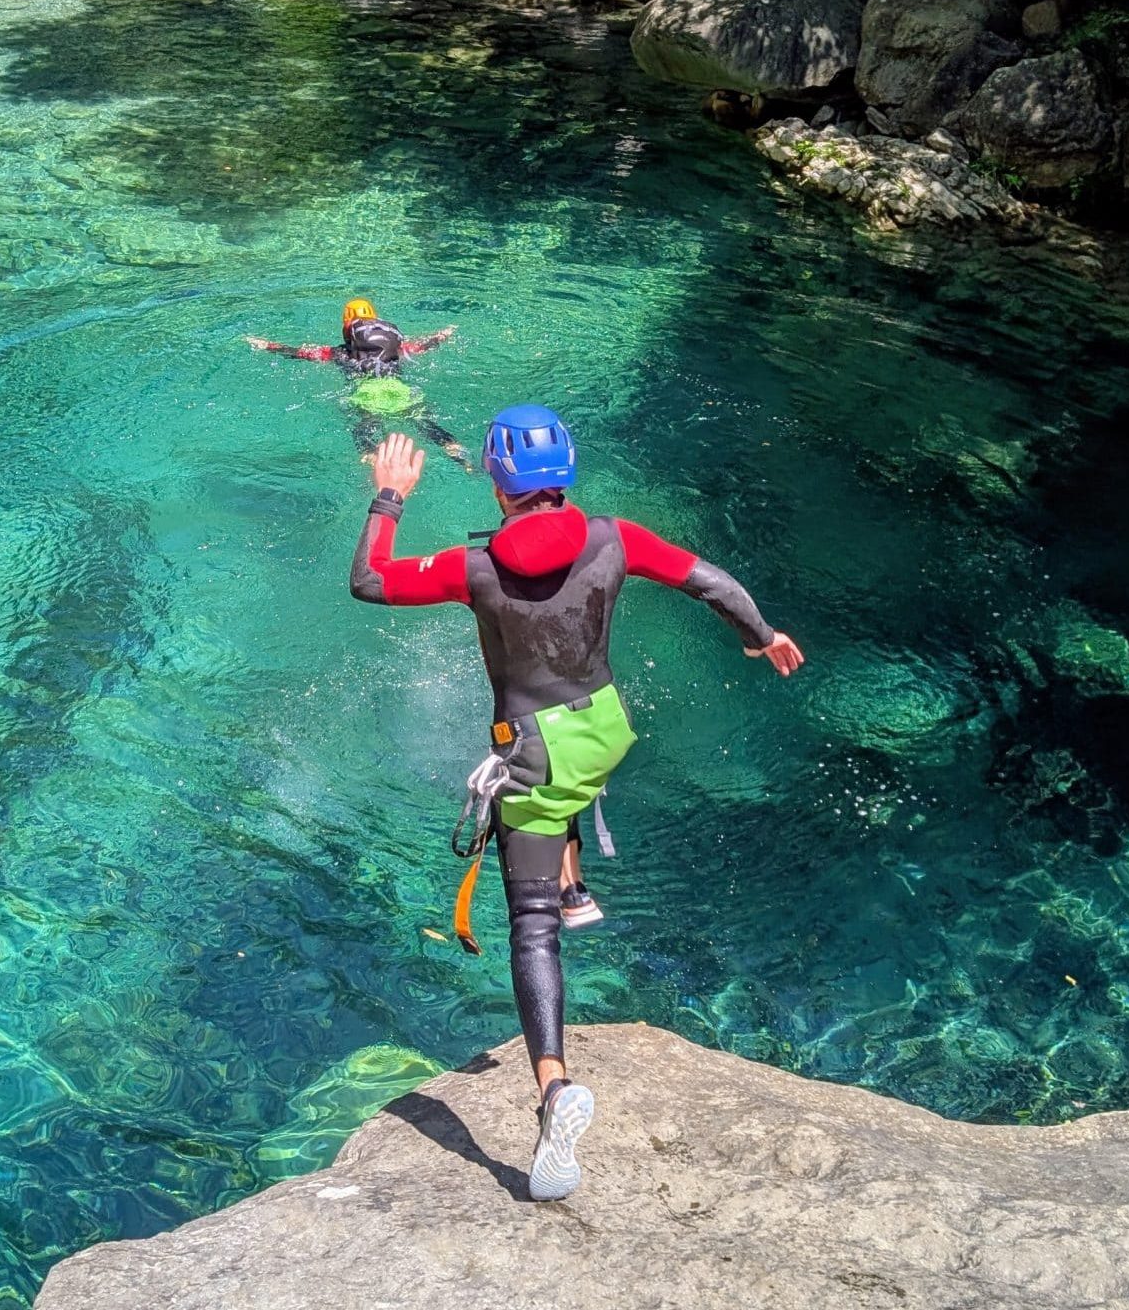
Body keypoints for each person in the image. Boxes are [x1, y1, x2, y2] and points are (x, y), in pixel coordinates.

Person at [348, 408, 805, 1202]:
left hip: (537, 747)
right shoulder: (615, 536)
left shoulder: (475, 566)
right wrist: (761, 635)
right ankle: (574, 881)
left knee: (529, 924)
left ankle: (556, 1092)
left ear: (497, 483)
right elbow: (714, 584)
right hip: (604, 727)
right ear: (566, 475)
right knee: (565, 788)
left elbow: (368, 580)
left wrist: (389, 497)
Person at [246, 299, 466, 461]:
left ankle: (370, 457)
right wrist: (442, 335)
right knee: (423, 422)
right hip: (399, 391)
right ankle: (451, 446)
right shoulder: (397, 350)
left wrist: (268, 345)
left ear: (347, 328)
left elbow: (301, 353)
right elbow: (423, 345)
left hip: (367, 395)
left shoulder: (339, 353)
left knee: (363, 428)